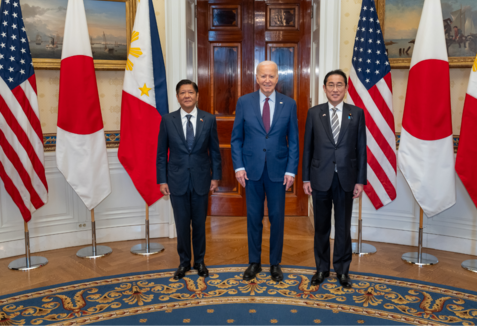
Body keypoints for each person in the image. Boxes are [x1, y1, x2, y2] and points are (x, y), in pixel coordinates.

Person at [231, 61, 299, 282]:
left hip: (279, 172)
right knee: (253, 217)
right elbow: (236, 139)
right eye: (263, 76)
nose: (267, 80)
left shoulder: (289, 104)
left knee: (277, 218)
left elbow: (294, 142)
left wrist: (291, 170)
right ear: (256, 78)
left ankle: (275, 263)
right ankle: (254, 262)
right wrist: (239, 167)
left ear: (278, 78)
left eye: (271, 76)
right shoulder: (244, 102)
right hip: (251, 171)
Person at [302, 69, 367, 289]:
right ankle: (322, 268)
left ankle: (342, 270)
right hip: (320, 178)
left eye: (339, 84)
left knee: (342, 227)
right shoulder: (314, 113)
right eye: (331, 84)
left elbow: (361, 150)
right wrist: (305, 179)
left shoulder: (356, 113)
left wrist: (360, 181)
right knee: (321, 227)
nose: (335, 89)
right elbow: (307, 149)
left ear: (346, 88)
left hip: (346, 179)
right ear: (324, 88)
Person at [156, 79, 222, 280]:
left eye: (190, 92)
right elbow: (161, 154)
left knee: (200, 224)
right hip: (177, 181)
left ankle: (200, 262)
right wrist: (162, 180)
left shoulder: (208, 119)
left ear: (197, 95)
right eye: (182, 92)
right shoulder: (168, 120)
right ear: (177, 97)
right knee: (182, 224)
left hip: (202, 180)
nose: (187, 96)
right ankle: (184, 263)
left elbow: (215, 152)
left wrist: (216, 177)